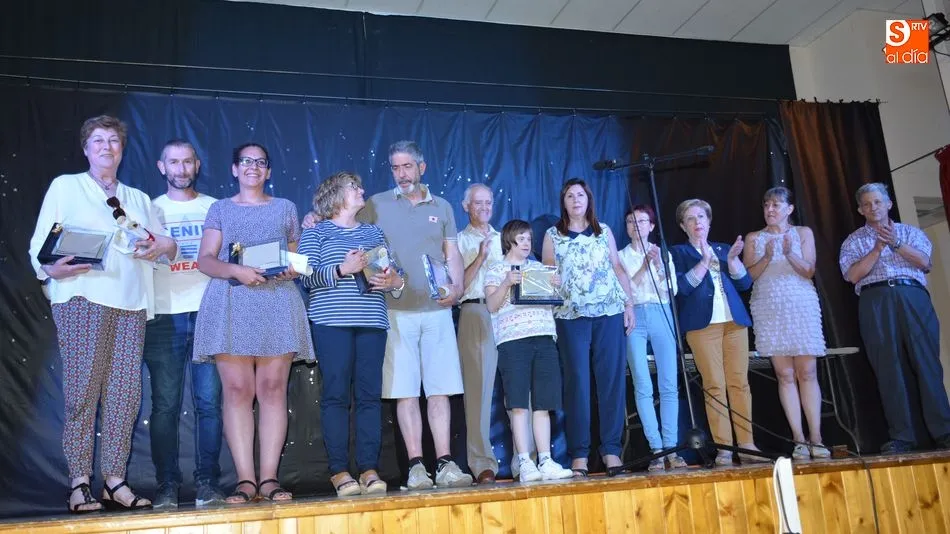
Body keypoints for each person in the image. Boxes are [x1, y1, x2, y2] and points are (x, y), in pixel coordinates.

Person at [28, 115, 177, 513]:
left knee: (125, 395)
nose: (106, 147)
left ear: (122, 149)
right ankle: (79, 482)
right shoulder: (67, 186)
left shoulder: (140, 199)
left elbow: (167, 248)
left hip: (131, 303)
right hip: (81, 298)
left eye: (113, 140)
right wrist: (49, 269)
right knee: (82, 392)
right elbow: (40, 245)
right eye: (98, 140)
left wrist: (161, 244)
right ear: (86, 148)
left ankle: (114, 480)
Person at [192, 143, 315, 504]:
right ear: (234, 169)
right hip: (230, 303)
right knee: (237, 393)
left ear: (268, 171)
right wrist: (238, 271)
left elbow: (297, 258)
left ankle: (269, 479)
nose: (253, 168)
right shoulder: (220, 208)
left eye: (260, 163)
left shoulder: (285, 207)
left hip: (277, 301)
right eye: (246, 162)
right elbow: (205, 261)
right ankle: (246, 481)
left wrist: (294, 266)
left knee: (274, 389)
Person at [358, 140, 473, 489]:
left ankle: (445, 463)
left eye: (408, 166)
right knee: (405, 392)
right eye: (395, 167)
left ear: (422, 168)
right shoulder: (376, 204)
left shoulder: (442, 206)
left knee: (440, 389)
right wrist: (315, 218)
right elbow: (351, 231)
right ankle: (415, 466)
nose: (402, 173)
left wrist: (456, 289)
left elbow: (450, 251)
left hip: (437, 311)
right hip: (394, 312)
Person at [298, 171, 404, 496]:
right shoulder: (316, 233)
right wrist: (343, 269)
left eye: (359, 186)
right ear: (334, 195)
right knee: (336, 397)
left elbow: (396, 275)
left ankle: (369, 468)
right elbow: (307, 279)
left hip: (372, 322)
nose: (361, 190)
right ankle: (339, 471)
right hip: (331, 323)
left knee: (370, 397)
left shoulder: (374, 232)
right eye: (353, 187)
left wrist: (394, 282)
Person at [839, 182, 950, 453]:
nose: (872, 207)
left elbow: (925, 262)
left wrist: (895, 243)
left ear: (888, 204)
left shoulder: (910, 232)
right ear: (859, 209)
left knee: (927, 363)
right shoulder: (853, 241)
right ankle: (903, 436)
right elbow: (852, 275)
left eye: (877, 202)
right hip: (875, 300)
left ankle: (944, 431)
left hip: (912, 296)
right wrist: (877, 248)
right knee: (888, 368)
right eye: (866, 204)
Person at [144, 139, 225, 508]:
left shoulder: (215, 208)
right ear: (162, 167)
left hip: (210, 314)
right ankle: (166, 486)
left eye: (187, 162)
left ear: (197, 165)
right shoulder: (146, 209)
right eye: (173, 162)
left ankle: (208, 483)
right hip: (163, 315)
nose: (180, 169)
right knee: (165, 406)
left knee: (210, 403)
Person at [541, 178, 635, 477]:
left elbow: (618, 267)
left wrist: (629, 305)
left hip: (609, 313)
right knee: (577, 384)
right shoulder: (552, 235)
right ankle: (579, 454)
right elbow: (547, 276)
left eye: (580, 195)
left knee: (611, 382)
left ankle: (611, 451)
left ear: (589, 199)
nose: (576, 200)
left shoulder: (603, 230)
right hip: (571, 317)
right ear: (563, 201)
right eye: (570, 195)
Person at [670, 199, 763, 466]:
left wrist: (732, 261)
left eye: (701, 217)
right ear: (682, 225)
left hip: (734, 323)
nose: (697, 222)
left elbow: (745, 284)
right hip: (702, 326)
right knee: (714, 385)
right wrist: (703, 262)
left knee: (739, 384)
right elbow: (682, 289)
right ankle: (724, 447)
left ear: (709, 222)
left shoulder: (724, 249)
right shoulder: (677, 253)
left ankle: (747, 444)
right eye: (690, 218)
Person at [484, 220, 574, 482]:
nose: (527, 244)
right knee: (519, 404)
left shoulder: (538, 269)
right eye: (521, 239)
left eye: (529, 239)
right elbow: (491, 305)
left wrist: (555, 285)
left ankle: (545, 459)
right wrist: (506, 283)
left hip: (544, 337)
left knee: (543, 404)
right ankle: (525, 461)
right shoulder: (496, 269)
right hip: (513, 341)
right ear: (509, 240)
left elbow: (554, 302)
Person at [744, 187, 829, 460]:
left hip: (800, 304)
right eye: (766, 204)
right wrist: (768, 255)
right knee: (785, 375)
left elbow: (809, 270)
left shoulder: (803, 233)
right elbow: (749, 278)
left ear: (789, 209)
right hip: (769, 307)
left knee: (807, 372)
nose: (770, 209)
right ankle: (798, 439)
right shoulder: (754, 238)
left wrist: (789, 252)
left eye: (776, 205)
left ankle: (816, 437)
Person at [618, 205, 686, 471]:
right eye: (630, 222)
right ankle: (656, 449)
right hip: (635, 314)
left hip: (661, 312)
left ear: (652, 226)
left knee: (669, 383)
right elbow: (625, 290)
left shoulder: (662, 253)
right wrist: (644, 267)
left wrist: (657, 264)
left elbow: (673, 289)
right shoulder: (621, 256)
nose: (636, 225)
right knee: (642, 384)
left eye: (641, 221)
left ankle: (672, 448)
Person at [456, 183, 505, 484]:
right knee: (477, 393)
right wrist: (481, 257)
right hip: (476, 311)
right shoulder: (458, 240)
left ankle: (527, 456)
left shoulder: (506, 238)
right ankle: (482, 462)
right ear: (466, 207)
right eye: (478, 203)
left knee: (519, 388)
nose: (484, 208)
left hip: (511, 316)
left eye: (488, 202)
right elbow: (456, 285)